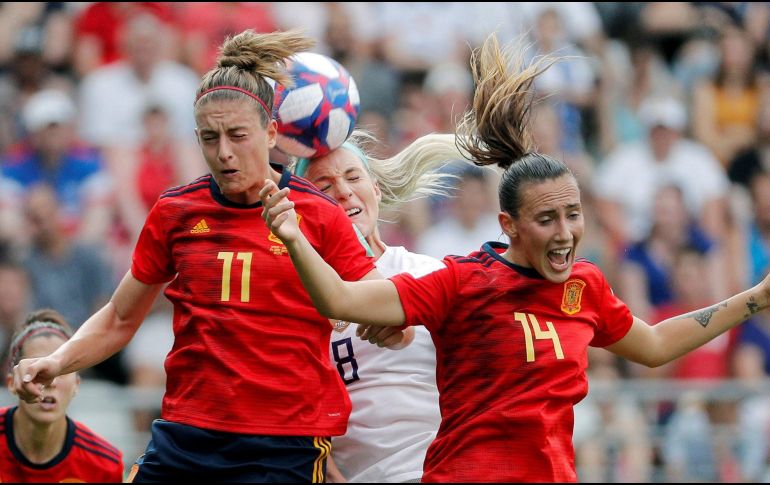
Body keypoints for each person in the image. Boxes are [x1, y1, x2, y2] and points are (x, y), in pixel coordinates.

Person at [259, 34, 770, 482]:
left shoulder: (573, 286)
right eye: (548, 219)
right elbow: (338, 303)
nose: (565, 233)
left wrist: (757, 297)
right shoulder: (457, 281)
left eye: (573, 215)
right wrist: (294, 235)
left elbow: (654, 345)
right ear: (509, 226)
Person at [10, 29, 383, 482]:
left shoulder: (319, 214)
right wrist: (58, 360)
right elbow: (119, 318)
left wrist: (385, 323)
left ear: (271, 133)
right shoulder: (176, 211)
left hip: (282, 444)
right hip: (187, 437)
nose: (223, 153)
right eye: (209, 138)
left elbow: (382, 310)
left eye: (237, 135)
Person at [292, 130, 463, 482]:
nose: (343, 191)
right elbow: (296, 416)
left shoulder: (429, 273)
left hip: (443, 468)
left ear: (377, 189)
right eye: (324, 186)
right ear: (305, 212)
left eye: (353, 177)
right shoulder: (295, 303)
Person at [1, 309, 124, 482]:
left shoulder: (105, 466)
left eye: (63, 370)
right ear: (12, 382)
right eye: (36, 368)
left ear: (77, 385)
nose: (50, 382)